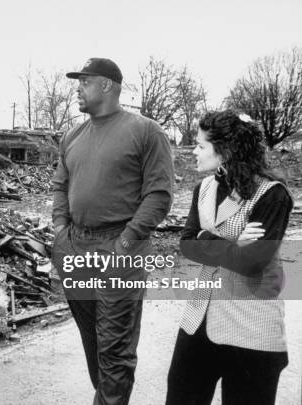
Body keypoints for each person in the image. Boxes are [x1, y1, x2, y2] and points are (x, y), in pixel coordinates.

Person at [51, 58, 174, 405]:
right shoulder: (72, 135)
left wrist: (127, 240)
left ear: (107, 86)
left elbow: (159, 194)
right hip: (74, 247)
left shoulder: (146, 131)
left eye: (84, 81)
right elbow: (60, 186)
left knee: (115, 344)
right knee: (93, 340)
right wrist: (61, 232)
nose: (78, 87)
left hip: (119, 249)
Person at [166, 110, 292, 405]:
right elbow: (186, 244)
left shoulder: (273, 195)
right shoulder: (204, 188)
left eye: (200, 145)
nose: (194, 151)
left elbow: (254, 262)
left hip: (252, 325)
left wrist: (204, 239)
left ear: (224, 150)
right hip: (199, 318)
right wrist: (235, 243)